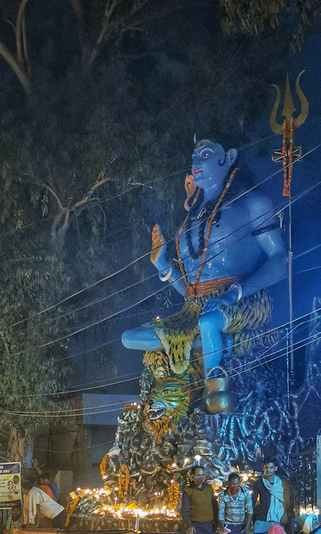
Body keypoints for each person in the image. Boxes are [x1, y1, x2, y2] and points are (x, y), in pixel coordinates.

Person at [122, 138, 286, 380]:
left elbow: (281, 262)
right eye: (194, 157)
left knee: (209, 323)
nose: (197, 162)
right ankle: (215, 347)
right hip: (195, 309)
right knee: (130, 338)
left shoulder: (253, 204)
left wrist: (234, 294)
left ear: (229, 157)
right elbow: (190, 291)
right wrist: (163, 264)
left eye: (206, 154)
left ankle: (214, 386)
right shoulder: (187, 226)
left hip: (242, 300)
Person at [180, 465, 219, 534]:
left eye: (202, 475)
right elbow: (185, 510)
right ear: (192, 476)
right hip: (196, 526)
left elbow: (215, 507)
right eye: (198, 475)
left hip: (209, 525)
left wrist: (217, 523)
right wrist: (189, 525)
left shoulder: (208, 489)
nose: (201, 477)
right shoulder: (188, 491)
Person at [251, 459, 293, 534]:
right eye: (266, 467)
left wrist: (285, 514)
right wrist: (249, 521)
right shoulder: (258, 483)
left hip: (277, 519)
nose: (269, 470)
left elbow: (287, 501)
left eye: (271, 467)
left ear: (275, 468)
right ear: (263, 468)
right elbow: (252, 502)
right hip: (262, 518)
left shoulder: (282, 483)